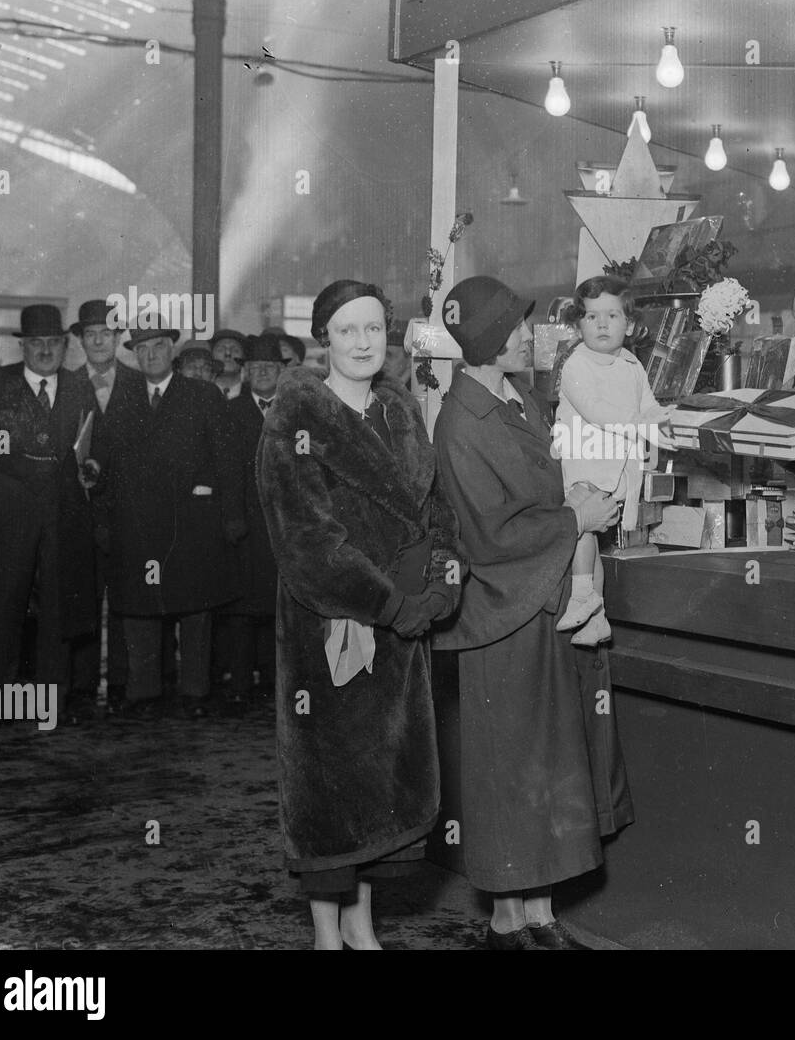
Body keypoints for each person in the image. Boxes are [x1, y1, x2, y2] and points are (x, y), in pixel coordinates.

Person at [256, 280, 462, 951]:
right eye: (347, 330)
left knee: (381, 779)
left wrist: (439, 581)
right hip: (331, 623)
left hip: (397, 629)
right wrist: (391, 603)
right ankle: (326, 934)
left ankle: (362, 927)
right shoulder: (295, 417)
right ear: (325, 338)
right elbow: (308, 542)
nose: (363, 341)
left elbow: (430, 518)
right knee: (328, 780)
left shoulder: (399, 416)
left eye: (374, 328)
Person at [432, 275, 633, 951]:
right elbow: (489, 535)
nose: (529, 335)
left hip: (533, 606)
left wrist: (566, 496)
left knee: (542, 765)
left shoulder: (507, 400)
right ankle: (505, 921)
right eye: (516, 327)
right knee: (511, 769)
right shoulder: (462, 422)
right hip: (501, 617)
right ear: (488, 341)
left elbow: (525, 501)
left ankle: (538, 914)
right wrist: (576, 515)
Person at [0, 304, 102, 730]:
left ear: (63, 346)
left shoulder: (78, 387)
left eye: (52, 343)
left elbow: (93, 440)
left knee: (56, 604)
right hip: (9, 502)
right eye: (36, 343)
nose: (44, 350)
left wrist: (91, 467)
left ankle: (48, 705)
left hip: (61, 503)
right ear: (24, 346)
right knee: (5, 602)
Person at [96, 317, 244, 720]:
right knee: (141, 608)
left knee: (196, 608)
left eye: (157, 346)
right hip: (137, 525)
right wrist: (105, 522)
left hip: (192, 523)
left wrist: (231, 516)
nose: (149, 355)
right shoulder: (123, 399)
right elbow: (105, 465)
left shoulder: (202, 394)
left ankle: (195, 692)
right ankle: (144, 692)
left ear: (171, 350)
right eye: (141, 349)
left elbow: (228, 461)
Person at [553, 274, 667, 646]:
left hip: (618, 464)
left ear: (630, 325)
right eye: (591, 316)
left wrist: (662, 419)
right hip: (585, 457)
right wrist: (638, 423)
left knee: (590, 535)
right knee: (583, 528)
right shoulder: (575, 365)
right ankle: (591, 606)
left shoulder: (633, 364)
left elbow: (647, 403)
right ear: (578, 324)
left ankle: (589, 601)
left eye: (612, 316)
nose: (602, 324)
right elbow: (595, 411)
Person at [68, 300, 143, 717]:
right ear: (80, 341)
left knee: (126, 600)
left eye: (106, 334)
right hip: (80, 512)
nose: (98, 341)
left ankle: (120, 684)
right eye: (90, 334)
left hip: (128, 513)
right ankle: (81, 688)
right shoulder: (65, 382)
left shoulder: (138, 383)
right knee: (82, 599)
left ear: (117, 339)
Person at [219, 333, 284, 706]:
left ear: (280, 371)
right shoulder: (230, 411)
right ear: (244, 372)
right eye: (255, 367)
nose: (261, 373)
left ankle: (278, 686)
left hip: (282, 528)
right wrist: (231, 518)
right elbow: (226, 472)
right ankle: (240, 687)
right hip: (243, 526)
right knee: (241, 612)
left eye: (269, 367)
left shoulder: (295, 411)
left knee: (279, 612)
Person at [210, 329, 248, 399]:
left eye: (235, 350)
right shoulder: (202, 391)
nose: (228, 354)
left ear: (244, 357)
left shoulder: (254, 392)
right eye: (221, 350)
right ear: (211, 356)